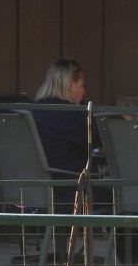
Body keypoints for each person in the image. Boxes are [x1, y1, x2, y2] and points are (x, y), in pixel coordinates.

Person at [31, 59, 101, 213]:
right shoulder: (71, 115)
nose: (84, 92)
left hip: (32, 192)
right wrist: (122, 120)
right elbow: (102, 136)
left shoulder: (32, 112)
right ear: (70, 84)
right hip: (71, 191)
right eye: (81, 85)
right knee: (122, 199)